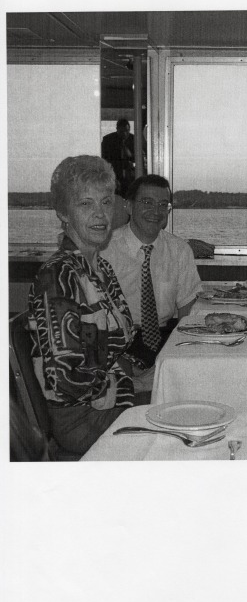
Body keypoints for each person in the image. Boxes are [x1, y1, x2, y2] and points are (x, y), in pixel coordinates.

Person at [28, 156, 136, 455]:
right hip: (84, 421)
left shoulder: (100, 268)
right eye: (85, 204)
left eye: (105, 202)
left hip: (115, 397)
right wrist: (119, 381)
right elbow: (67, 382)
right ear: (64, 212)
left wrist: (123, 376)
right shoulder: (59, 275)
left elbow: (116, 344)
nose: (100, 214)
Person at [101, 174, 202, 368]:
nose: (156, 211)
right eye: (147, 202)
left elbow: (187, 309)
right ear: (129, 206)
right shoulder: (105, 251)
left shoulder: (179, 250)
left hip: (166, 336)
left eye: (163, 205)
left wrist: (187, 351)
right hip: (119, 341)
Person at [101, 118, 135, 196]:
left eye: (127, 131)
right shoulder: (108, 140)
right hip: (114, 174)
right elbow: (104, 160)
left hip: (130, 175)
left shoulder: (134, 139)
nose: (125, 134)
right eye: (122, 132)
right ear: (117, 129)